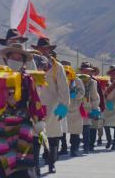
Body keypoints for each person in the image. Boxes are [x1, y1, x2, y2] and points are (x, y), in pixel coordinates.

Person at [0, 43, 45, 178]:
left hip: (23, 127)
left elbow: (35, 101)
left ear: (23, 62)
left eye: (19, 59)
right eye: (13, 58)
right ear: (6, 59)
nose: (16, 61)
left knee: (24, 165)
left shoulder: (28, 79)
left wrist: (38, 120)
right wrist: (4, 99)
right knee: (6, 165)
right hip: (2, 127)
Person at [31, 37, 69, 174]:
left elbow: (64, 88)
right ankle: (35, 166)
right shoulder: (30, 63)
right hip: (34, 105)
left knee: (53, 136)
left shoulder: (56, 66)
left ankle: (52, 163)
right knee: (36, 136)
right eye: (40, 48)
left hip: (52, 106)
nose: (42, 51)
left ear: (49, 50)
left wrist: (63, 107)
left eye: (45, 48)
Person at [61, 60, 84, 157]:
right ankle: (64, 147)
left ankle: (74, 148)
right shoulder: (58, 79)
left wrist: (74, 94)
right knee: (61, 129)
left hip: (75, 108)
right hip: (62, 107)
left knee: (75, 131)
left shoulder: (77, 80)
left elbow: (82, 93)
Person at [78, 62, 100, 154]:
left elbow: (95, 97)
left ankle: (86, 147)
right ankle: (74, 147)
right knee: (76, 129)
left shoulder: (93, 82)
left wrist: (95, 108)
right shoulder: (76, 80)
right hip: (77, 107)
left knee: (86, 128)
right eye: (85, 70)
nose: (86, 72)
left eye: (88, 71)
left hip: (87, 108)